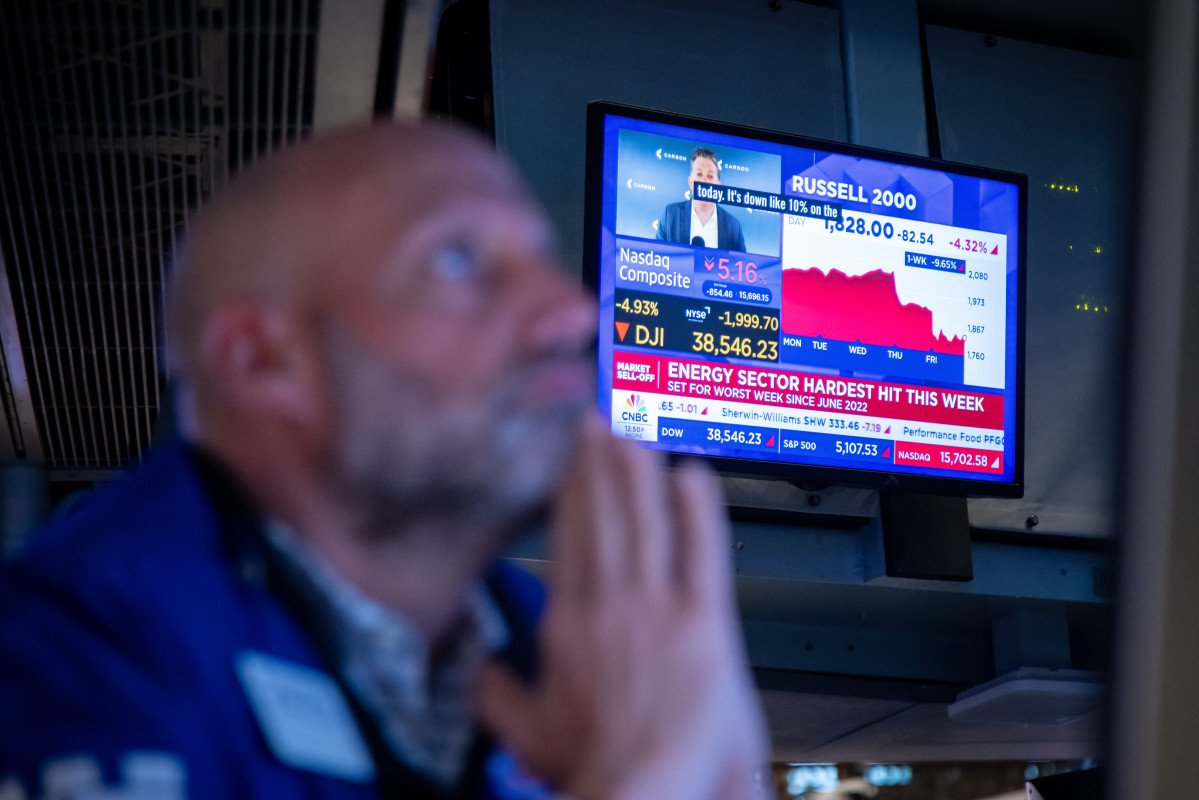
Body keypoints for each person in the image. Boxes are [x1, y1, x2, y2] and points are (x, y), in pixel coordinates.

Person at [0, 122, 767, 799]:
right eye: (457, 259)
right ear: (262, 360)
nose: (571, 310)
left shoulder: (569, 648)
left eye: (540, 257)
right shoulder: (62, 650)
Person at [656, 147, 747, 251]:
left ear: (718, 186)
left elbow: (742, 261)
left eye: (710, 176)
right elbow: (657, 256)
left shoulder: (734, 227)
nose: (704, 180)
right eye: (699, 174)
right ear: (690, 182)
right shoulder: (671, 215)